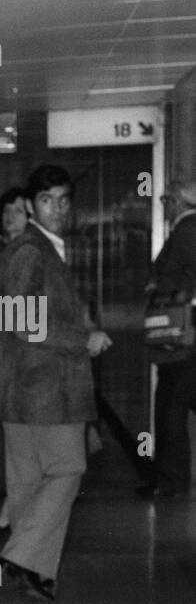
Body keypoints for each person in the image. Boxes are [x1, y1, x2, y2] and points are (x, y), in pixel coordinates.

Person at [0, 164, 111, 599]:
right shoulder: (34, 251)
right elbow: (22, 320)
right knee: (69, 468)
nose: (58, 209)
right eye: (48, 200)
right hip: (47, 387)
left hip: (20, 390)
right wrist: (82, 338)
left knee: (28, 480)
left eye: (64, 199)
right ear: (32, 205)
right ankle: (20, 554)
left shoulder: (27, 250)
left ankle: (35, 573)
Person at [138, 178, 196, 499]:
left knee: (170, 407)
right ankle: (169, 478)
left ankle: (170, 482)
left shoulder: (187, 232)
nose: (162, 204)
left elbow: (179, 277)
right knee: (176, 400)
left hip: (183, 337)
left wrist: (160, 287)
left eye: (164, 198)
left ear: (176, 201)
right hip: (185, 337)